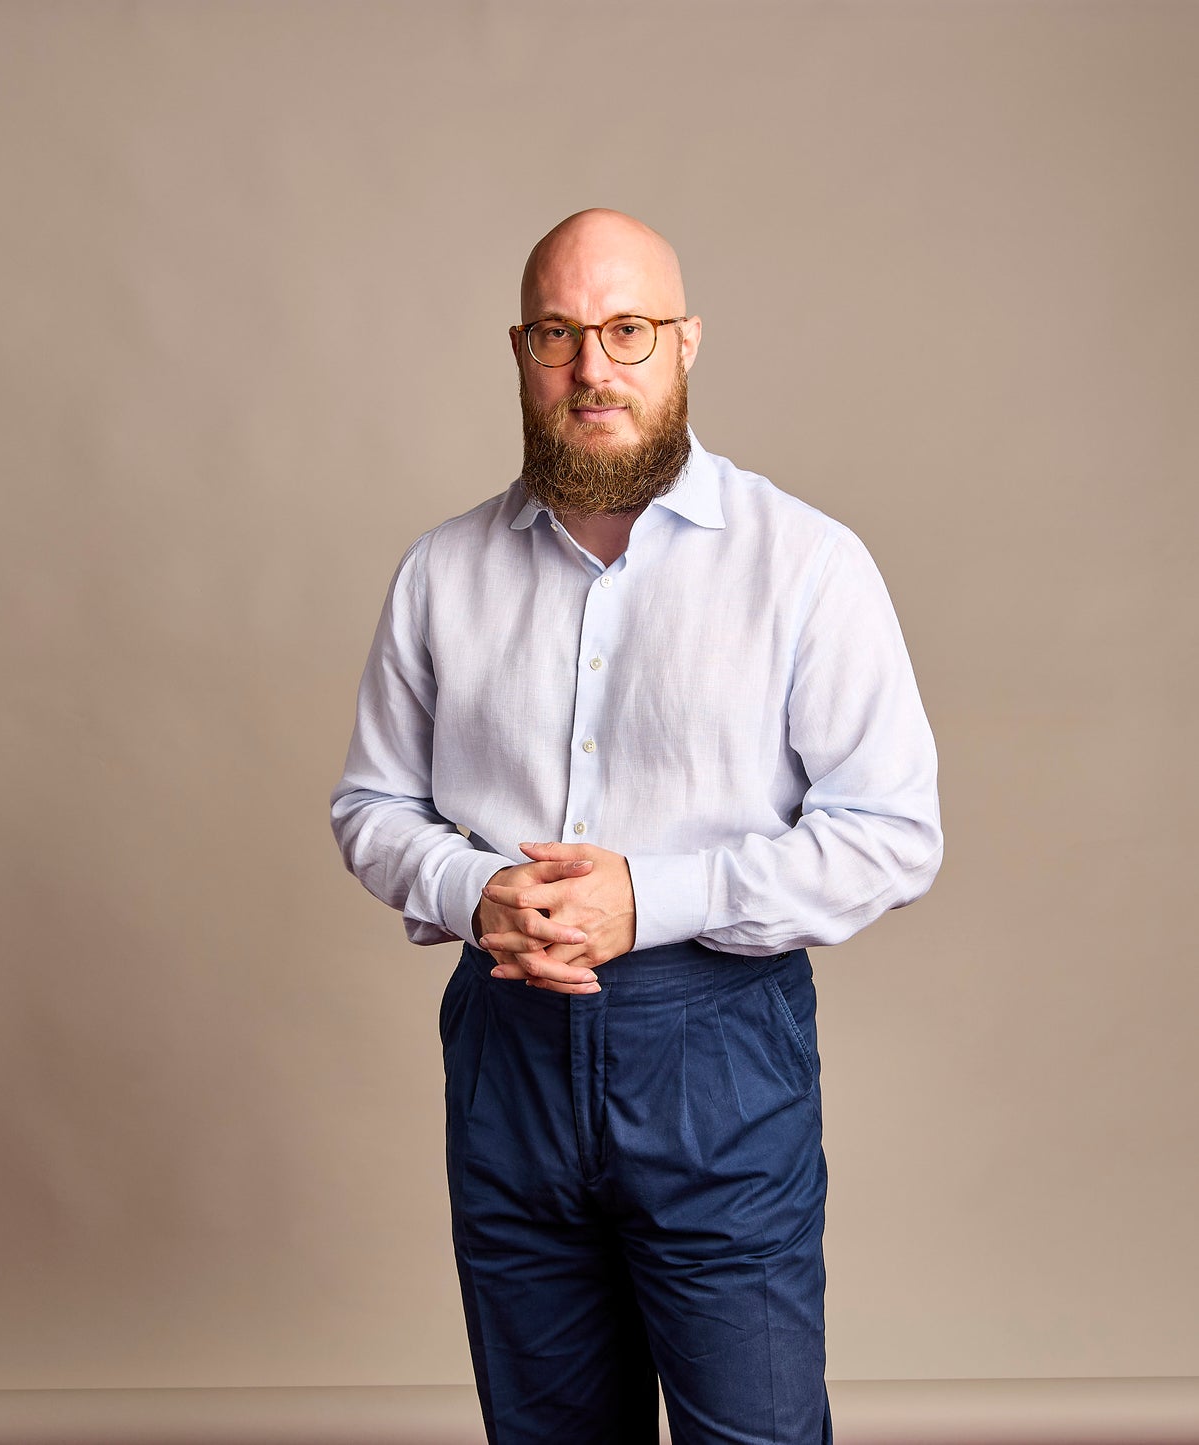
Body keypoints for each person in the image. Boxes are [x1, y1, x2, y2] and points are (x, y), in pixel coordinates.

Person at [331, 209, 941, 1445]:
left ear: (684, 343)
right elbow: (371, 805)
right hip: (507, 1047)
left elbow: (891, 831)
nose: (592, 367)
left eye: (626, 330)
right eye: (559, 333)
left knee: (752, 1433)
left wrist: (642, 901)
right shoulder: (441, 571)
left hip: (714, 1049)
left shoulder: (805, 563)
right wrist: (471, 888)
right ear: (520, 349)